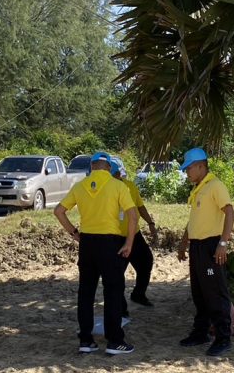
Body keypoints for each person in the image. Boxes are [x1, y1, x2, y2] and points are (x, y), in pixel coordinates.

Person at [54, 151, 138, 356]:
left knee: (86, 292)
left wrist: (74, 233)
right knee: (113, 291)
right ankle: (115, 341)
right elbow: (133, 216)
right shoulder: (118, 186)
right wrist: (129, 242)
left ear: (91, 167)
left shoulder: (80, 186)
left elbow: (58, 211)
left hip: (87, 243)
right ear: (108, 167)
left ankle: (85, 340)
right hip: (110, 243)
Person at [176, 147, 234, 356]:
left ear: (201, 166)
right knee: (199, 292)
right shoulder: (199, 188)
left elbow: (230, 213)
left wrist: (223, 243)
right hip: (197, 246)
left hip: (211, 246)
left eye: (189, 168)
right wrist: (184, 242)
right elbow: (194, 220)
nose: (187, 172)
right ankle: (200, 332)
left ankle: (223, 338)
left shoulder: (215, 186)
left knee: (215, 293)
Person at [110, 159, 158, 307]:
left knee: (146, 262)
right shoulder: (105, 190)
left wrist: (150, 223)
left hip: (134, 235)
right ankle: (120, 306)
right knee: (117, 273)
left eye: (114, 175)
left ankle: (138, 294)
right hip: (115, 238)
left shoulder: (130, 186)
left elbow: (140, 206)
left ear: (118, 174)